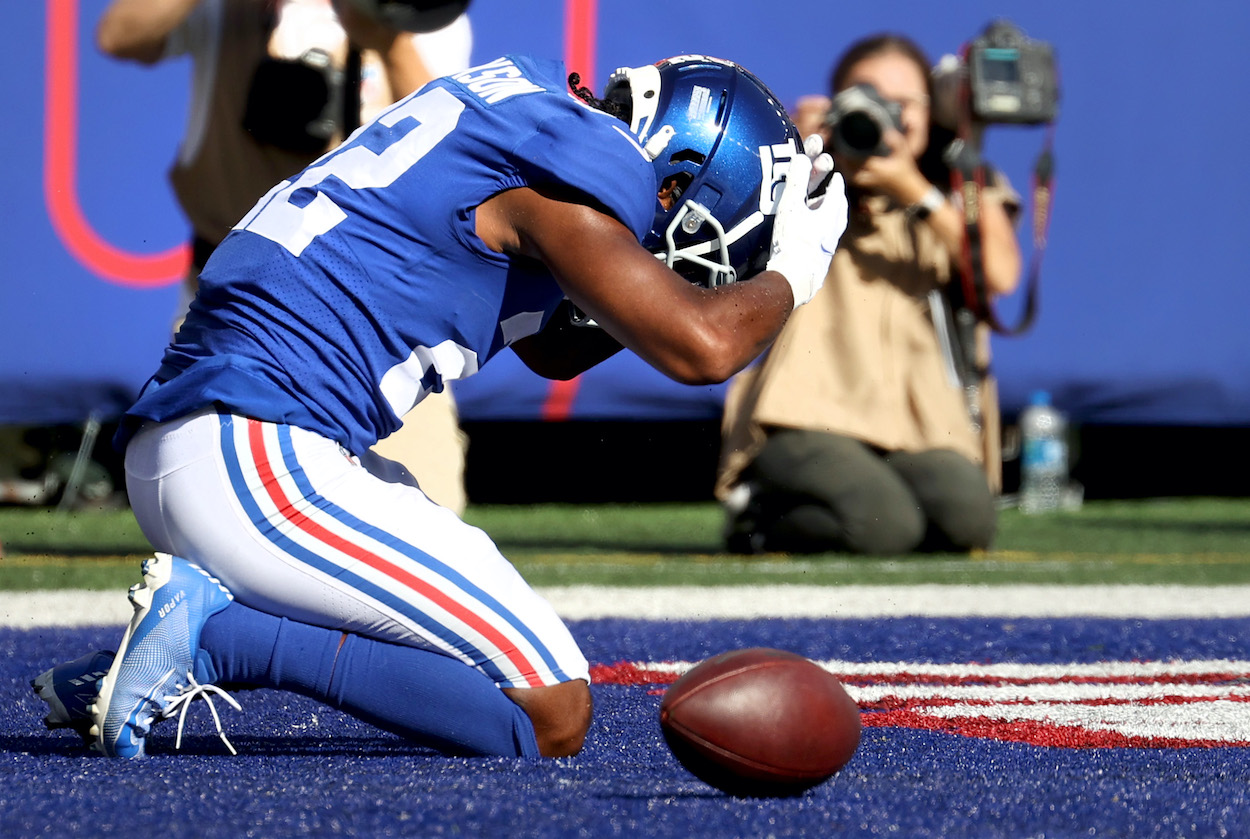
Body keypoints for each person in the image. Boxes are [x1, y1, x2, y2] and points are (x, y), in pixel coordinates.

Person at [31, 55, 848, 759]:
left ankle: (136, 662)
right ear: (681, 177)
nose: (723, 258)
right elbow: (701, 346)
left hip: (212, 444)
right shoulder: (574, 184)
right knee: (551, 710)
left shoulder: (521, 112)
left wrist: (665, 295)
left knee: (498, 669)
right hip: (261, 457)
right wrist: (794, 270)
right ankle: (213, 638)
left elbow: (550, 344)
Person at [95, 0, 471, 513]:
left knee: (429, 520)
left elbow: (452, 150)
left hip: (379, 314)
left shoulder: (410, 9)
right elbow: (120, 35)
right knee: (227, 518)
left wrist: (387, 37)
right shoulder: (229, 12)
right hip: (236, 303)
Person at [716, 33, 1022, 556]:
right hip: (805, 415)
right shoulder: (806, 175)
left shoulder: (959, 181)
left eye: (904, 104)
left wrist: (913, 188)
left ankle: (837, 507)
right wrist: (797, 146)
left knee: (968, 518)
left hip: (919, 420)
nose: (887, 118)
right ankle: (760, 517)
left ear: (931, 111)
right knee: (886, 528)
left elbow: (1000, 276)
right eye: (869, 99)